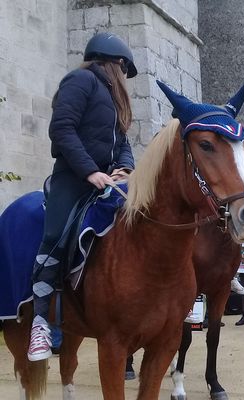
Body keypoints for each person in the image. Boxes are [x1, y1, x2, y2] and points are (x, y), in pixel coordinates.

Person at [28, 32, 137, 362]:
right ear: (116, 63)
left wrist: (125, 169)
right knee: (56, 236)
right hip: (73, 179)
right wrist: (90, 171)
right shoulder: (81, 80)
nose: (125, 80)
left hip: (108, 181)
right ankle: (39, 323)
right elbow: (62, 128)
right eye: (124, 71)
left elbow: (124, 144)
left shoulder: (112, 100)